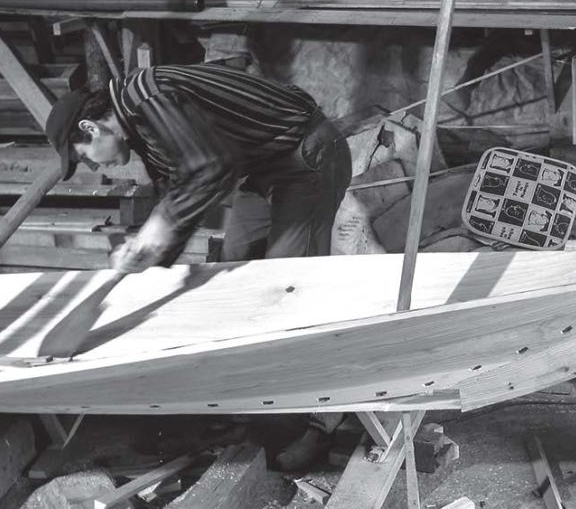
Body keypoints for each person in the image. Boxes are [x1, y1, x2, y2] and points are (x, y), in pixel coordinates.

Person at [45, 63, 352, 469]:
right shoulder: (143, 135)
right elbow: (180, 195)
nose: (95, 167)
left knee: (288, 290)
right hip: (264, 169)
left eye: (86, 158)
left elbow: (211, 169)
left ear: (91, 128)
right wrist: (150, 263)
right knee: (233, 269)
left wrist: (158, 226)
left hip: (305, 154)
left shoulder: (148, 96)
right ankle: (246, 400)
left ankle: (315, 423)